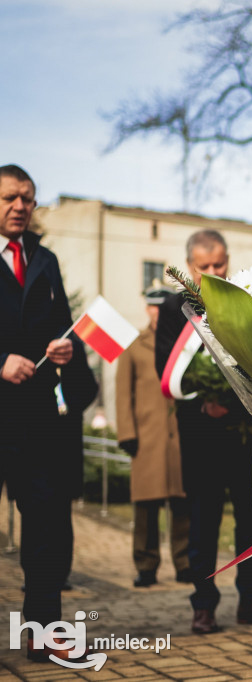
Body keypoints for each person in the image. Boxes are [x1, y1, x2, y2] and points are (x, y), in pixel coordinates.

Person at [155, 230, 252, 634]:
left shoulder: (243, 301)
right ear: (188, 267)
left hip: (245, 430)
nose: (213, 272)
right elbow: (167, 369)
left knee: (251, 517)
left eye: (219, 265)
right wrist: (202, 400)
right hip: (200, 433)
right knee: (203, 521)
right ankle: (204, 605)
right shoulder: (174, 309)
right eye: (203, 267)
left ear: (228, 260)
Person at [0, 164, 96, 664]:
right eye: (11, 197)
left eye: (28, 198)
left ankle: (41, 631)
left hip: (37, 417)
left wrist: (65, 349)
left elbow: (62, 326)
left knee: (45, 526)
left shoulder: (46, 259)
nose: (20, 206)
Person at [116, 285, 190, 588]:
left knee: (182, 505)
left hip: (180, 437)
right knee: (146, 508)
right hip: (146, 438)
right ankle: (145, 565)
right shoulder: (134, 346)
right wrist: (127, 433)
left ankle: (185, 563)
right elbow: (123, 394)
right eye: (153, 307)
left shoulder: (182, 342)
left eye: (163, 306)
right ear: (147, 309)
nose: (158, 312)